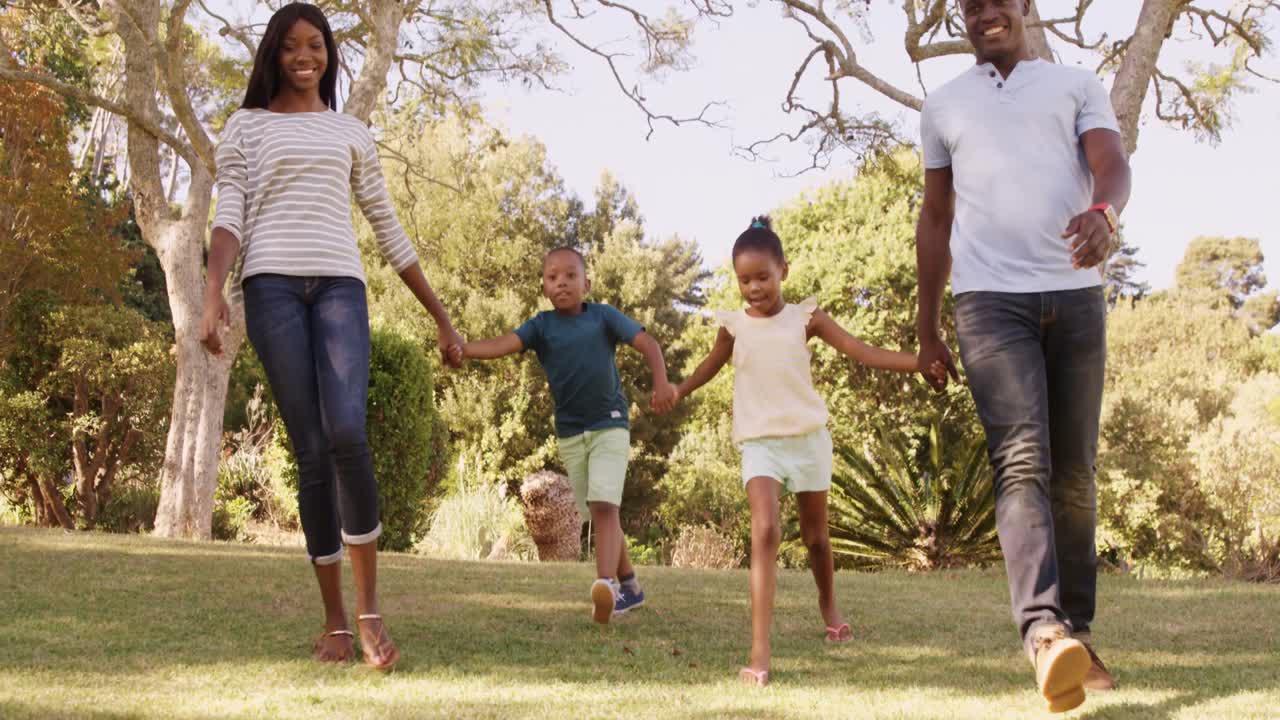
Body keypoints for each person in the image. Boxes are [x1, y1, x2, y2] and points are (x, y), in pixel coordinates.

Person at [198, 2, 464, 671]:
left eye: (314, 45)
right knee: (311, 450)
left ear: (328, 54)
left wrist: (440, 314)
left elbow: (386, 224)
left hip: (340, 287)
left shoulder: (350, 130)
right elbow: (229, 213)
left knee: (348, 431)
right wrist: (213, 295)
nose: (303, 57)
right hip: (270, 288)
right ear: (274, 56)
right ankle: (335, 622)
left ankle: (371, 611)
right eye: (290, 47)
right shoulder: (247, 127)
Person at [914, 0, 1132, 711]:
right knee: (1022, 461)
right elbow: (936, 216)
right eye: (969, 5)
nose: (985, 12)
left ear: (1023, 6)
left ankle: (1078, 633)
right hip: (989, 303)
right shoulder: (944, 104)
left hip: (1073, 299)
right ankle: (1041, 633)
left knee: (1074, 473)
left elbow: (1111, 165)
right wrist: (926, 327)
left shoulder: (1075, 83)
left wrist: (1104, 214)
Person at [667, 217, 940, 686]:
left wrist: (919, 363)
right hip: (760, 445)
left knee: (816, 538)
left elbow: (860, 350)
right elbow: (708, 368)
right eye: (744, 280)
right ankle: (759, 650)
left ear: (783, 272)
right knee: (766, 529)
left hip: (808, 440)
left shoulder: (805, 319)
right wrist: (678, 390)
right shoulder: (733, 328)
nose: (753, 288)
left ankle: (828, 603)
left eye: (762, 278)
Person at [449, 247, 678, 624]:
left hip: (611, 424)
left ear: (586, 283)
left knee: (605, 506)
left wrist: (661, 382)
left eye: (571, 275)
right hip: (571, 434)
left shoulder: (603, 317)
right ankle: (631, 587)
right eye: (553, 277)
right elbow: (503, 344)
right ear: (544, 286)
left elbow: (648, 344)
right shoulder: (541, 326)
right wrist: (465, 350)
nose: (562, 282)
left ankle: (605, 585)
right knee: (600, 512)